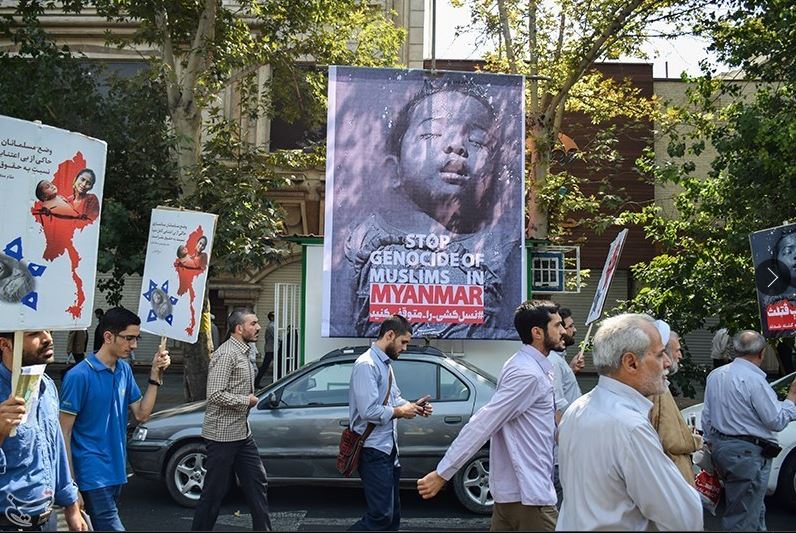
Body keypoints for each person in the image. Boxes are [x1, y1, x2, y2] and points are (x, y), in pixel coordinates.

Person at [338, 81, 521, 340]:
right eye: (432, 134)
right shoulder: (363, 240)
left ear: (492, 175)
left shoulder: (500, 248)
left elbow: (507, 328)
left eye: (477, 141)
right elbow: (342, 321)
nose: (457, 146)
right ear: (394, 170)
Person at [417, 300, 564, 531]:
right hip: (529, 499)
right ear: (537, 332)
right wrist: (443, 473)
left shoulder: (527, 366)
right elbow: (484, 423)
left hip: (517, 495)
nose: (563, 330)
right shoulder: (528, 374)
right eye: (557, 325)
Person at [556, 313, 702, 531]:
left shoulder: (577, 409)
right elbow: (683, 517)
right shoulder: (630, 427)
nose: (667, 362)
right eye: (660, 354)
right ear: (631, 363)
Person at [59, 307, 171, 531]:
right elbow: (64, 433)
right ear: (108, 337)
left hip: (117, 469)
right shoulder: (78, 376)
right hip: (91, 471)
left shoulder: (124, 370)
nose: (134, 345)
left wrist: (155, 375)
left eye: (137, 338)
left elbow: (141, 414)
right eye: (129, 338)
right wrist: (71, 486)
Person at [701, 330, 796, 531]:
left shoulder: (716, 375)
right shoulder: (754, 381)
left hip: (723, 449)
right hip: (747, 454)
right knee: (744, 517)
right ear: (761, 353)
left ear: (735, 350)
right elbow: (776, 421)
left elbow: (707, 416)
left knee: (751, 509)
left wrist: (712, 444)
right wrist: (792, 397)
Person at [191, 309, 273, 531]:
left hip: (242, 433)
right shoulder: (227, 354)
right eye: (253, 323)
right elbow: (215, 394)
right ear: (239, 328)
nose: (258, 327)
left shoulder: (244, 352)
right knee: (214, 493)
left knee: (257, 483)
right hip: (222, 436)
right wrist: (246, 401)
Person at [349, 314, 432, 531]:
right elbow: (368, 411)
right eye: (403, 342)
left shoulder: (385, 364)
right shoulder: (366, 365)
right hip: (373, 450)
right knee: (381, 517)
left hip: (388, 449)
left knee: (392, 516)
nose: (405, 348)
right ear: (390, 335)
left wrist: (414, 407)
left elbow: (394, 398)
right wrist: (400, 412)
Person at [0, 330, 87, 532]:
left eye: (48, 330)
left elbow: (55, 450)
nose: (48, 338)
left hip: (46, 521)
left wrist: (71, 506)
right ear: (5, 344)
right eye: (34, 334)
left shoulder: (46, 385)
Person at [648, 320, 701, 487]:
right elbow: (671, 440)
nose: (679, 356)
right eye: (677, 350)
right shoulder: (657, 388)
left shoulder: (658, 385)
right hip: (669, 474)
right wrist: (696, 441)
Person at [550, 307, 583, 507]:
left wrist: (570, 369)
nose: (573, 330)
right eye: (569, 326)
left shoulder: (558, 360)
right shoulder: (553, 361)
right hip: (560, 456)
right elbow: (556, 406)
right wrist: (568, 445)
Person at [255, 312, 275, 388]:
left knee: (266, 366)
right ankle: (256, 381)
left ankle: (257, 381)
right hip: (271, 348)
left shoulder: (272, 325)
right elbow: (276, 336)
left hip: (271, 348)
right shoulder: (271, 326)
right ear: (271, 317)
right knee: (265, 366)